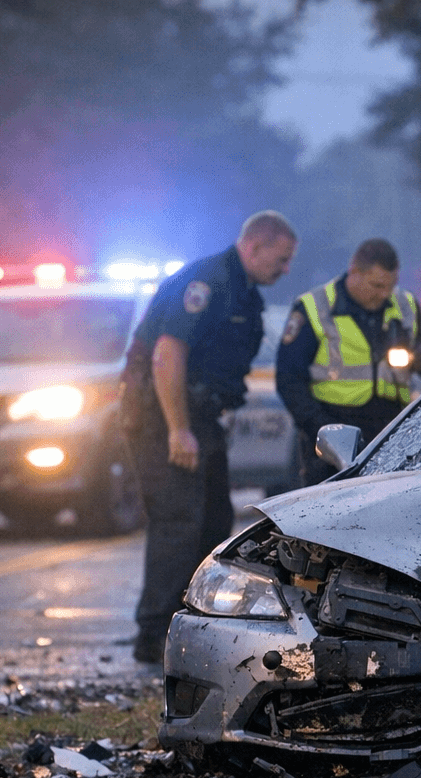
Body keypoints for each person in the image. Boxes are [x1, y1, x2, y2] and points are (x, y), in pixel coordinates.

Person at [120, 211, 297, 663]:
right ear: (254, 246)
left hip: (199, 417)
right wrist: (178, 429)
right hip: (164, 415)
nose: (286, 270)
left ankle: (194, 624)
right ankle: (154, 637)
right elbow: (166, 356)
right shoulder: (207, 282)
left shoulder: (243, 290)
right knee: (178, 523)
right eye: (281, 259)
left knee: (216, 520)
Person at [275, 238, 421, 487]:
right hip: (331, 432)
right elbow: (289, 379)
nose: (384, 294)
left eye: (390, 286)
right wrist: (321, 430)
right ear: (354, 272)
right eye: (376, 285)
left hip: (389, 431)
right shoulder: (315, 307)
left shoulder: (404, 304)